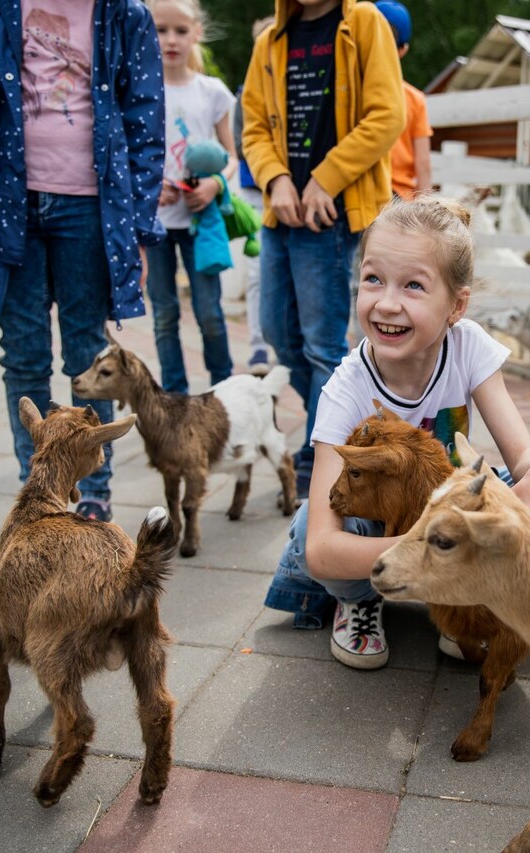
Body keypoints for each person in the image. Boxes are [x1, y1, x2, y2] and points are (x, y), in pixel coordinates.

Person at [264, 197, 530, 670]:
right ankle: (360, 601)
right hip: (386, 528)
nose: (387, 303)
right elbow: (323, 548)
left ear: (456, 305)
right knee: (313, 521)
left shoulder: (469, 348)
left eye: (413, 285)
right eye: (373, 279)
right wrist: (437, 546)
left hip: (443, 509)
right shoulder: (346, 390)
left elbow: (523, 455)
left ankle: (459, 600)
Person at [0, 0, 165, 523]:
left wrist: (138, 231)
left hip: (92, 208)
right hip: (2, 204)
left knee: (87, 353)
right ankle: (40, 489)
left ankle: (93, 490)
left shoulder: (126, 14)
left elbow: (146, 126)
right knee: (25, 354)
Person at [240, 0, 405, 504]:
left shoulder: (363, 24)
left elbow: (386, 115)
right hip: (282, 209)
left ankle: (317, 465)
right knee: (277, 332)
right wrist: (277, 179)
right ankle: (349, 415)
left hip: (330, 215)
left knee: (320, 346)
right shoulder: (272, 41)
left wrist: (323, 180)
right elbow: (254, 126)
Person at [146, 0, 237, 393]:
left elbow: (232, 157)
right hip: (157, 224)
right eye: (160, 30)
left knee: (209, 314)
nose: (170, 40)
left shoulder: (212, 92)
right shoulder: (138, 88)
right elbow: (125, 155)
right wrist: (149, 188)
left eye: (180, 31)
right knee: (164, 315)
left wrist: (216, 184)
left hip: (203, 223)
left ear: (196, 33)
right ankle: (175, 397)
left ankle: (223, 392)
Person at [233, 15, 277, 377]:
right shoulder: (245, 95)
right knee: (256, 271)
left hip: (293, 195)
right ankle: (258, 344)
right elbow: (242, 143)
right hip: (256, 191)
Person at [375, 1, 432, 200]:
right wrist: (425, 205)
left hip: (362, 192)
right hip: (399, 198)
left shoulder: (351, 91)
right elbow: (423, 163)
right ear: (403, 49)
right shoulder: (415, 99)